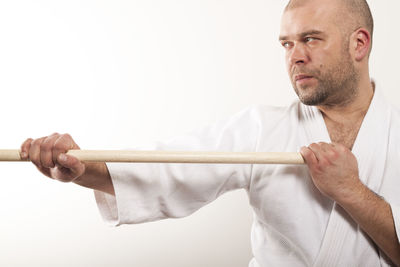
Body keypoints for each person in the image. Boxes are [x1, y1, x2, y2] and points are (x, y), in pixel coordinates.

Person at [20, 0, 400, 266]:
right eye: (287, 43)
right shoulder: (261, 128)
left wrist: (351, 191)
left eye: (311, 39)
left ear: (359, 44)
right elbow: (172, 169)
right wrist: (82, 167)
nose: (294, 56)